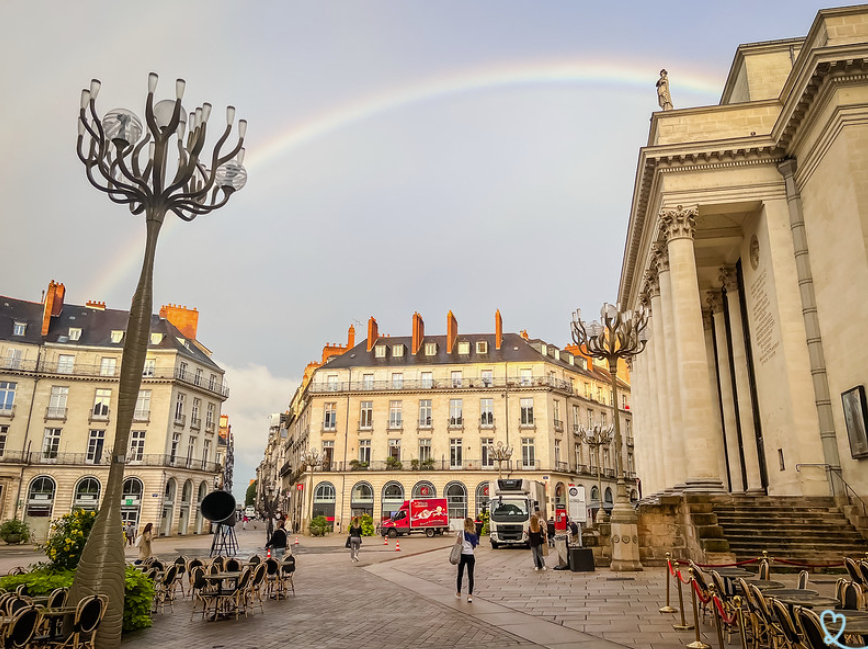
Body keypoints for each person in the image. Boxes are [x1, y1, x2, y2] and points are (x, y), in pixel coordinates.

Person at [455, 517, 479, 603]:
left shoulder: (461, 533)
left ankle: (458, 592)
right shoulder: (474, 534)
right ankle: (470, 595)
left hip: (462, 555)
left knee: (460, 574)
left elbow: (458, 543)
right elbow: (474, 545)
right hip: (470, 556)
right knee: (470, 576)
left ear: (465, 524)